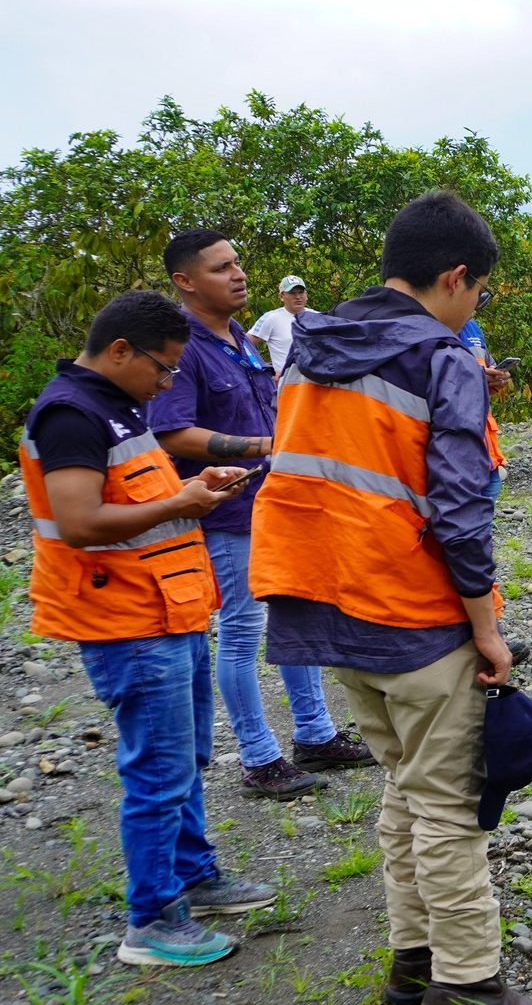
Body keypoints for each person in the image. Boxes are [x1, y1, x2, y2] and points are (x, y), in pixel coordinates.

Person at [249, 191, 532, 1005]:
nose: (474, 307)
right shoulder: (441, 359)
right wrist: (488, 631)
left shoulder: (310, 349)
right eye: (478, 291)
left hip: (326, 610)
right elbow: (458, 511)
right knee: (448, 807)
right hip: (414, 619)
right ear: (455, 277)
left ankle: (411, 970)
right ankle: (470, 985)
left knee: (402, 789)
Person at [22, 291, 277, 966]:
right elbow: (79, 521)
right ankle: (152, 920)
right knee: (158, 771)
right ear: (118, 352)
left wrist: (199, 486)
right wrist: (185, 499)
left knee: (186, 757)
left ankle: (194, 876)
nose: (167, 385)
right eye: (162, 370)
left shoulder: (118, 407)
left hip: (171, 609)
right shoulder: (71, 415)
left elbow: (143, 499)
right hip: (126, 622)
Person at [151, 230, 371, 799]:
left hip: (277, 503)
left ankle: (316, 734)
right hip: (228, 511)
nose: (238, 274)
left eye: (238, 263)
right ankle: (257, 756)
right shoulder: (182, 346)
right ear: (185, 281)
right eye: (222, 267)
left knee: (297, 618)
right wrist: (260, 446)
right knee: (242, 632)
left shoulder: (241, 341)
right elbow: (172, 431)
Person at [456, 312, 513, 500]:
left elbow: (488, 364)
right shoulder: (431, 326)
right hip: (458, 446)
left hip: (486, 443)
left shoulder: (472, 327)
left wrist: (496, 379)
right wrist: (477, 376)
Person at [247, 274, 312, 377]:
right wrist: (264, 369)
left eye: (301, 292)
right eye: (292, 293)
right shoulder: (271, 318)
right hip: (286, 384)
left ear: (306, 295)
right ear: (281, 296)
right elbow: (244, 344)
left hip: (315, 382)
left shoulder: (318, 317)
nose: (298, 297)